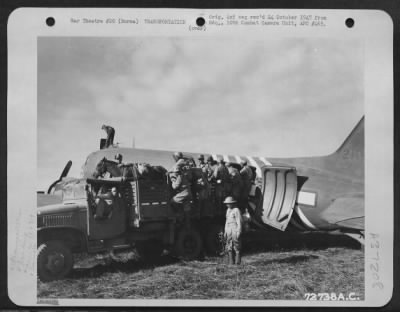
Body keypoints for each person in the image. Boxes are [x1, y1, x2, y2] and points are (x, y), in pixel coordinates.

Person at [169, 160, 193, 226]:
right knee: (187, 210)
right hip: (188, 193)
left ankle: (179, 214)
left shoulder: (179, 176)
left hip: (184, 194)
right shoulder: (184, 175)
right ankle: (188, 225)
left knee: (172, 201)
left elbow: (175, 187)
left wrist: (173, 181)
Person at [224, 196, 243, 265]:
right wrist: (225, 231)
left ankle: (237, 262)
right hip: (229, 229)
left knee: (237, 245)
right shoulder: (228, 210)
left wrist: (239, 231)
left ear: (232, 203)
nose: (227, 205)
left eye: (229, 203)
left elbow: (239, 221)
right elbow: (226, 221)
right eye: (226, 203)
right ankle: (231, 262)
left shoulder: (236, 210)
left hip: (235, 229)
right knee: (229, 245)